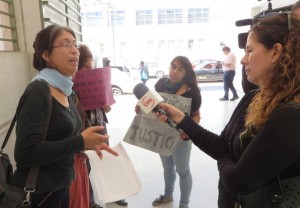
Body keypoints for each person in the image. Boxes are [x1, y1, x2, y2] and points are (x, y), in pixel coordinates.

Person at [155, 13, 300, 208]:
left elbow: (238, 181)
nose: (243, 60)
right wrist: (181, 118)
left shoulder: (291, 115)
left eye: (249, 50)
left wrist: (224, 158)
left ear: (275, 52)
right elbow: (221, 145)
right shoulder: (253, 98)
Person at [12, 24, 118, 208]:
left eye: (75, 45)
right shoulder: (38, 91)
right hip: (39, 194)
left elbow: (61, 136)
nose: (74, 51)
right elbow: (25, 154)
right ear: (45, 55)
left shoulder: (66, 89)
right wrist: (79, 142)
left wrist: (85, 147)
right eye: (66, 44)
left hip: (62, 187)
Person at [76, 44, 128, 207]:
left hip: (99, 123)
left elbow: (103, 103)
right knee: (87, 164)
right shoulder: (74, 81)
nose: (92, 61)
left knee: (105, 157)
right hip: (84, 127)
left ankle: (114, 194)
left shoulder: (96, 79)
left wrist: (104, 106)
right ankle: (90, 201)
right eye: (86, 68)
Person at [150, 56, 201, 208]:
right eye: (173, 66)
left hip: (181, 137)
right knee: (167, 167)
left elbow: (196, 115)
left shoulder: (192, 92)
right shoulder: (160, 84)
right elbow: (153, 106)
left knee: (183, 171)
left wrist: (190, 129)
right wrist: (142, 109)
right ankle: (168, 196)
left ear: (186, 73)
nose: (175, 71)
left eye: (180, 69)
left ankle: (184, 204)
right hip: (162, 135)